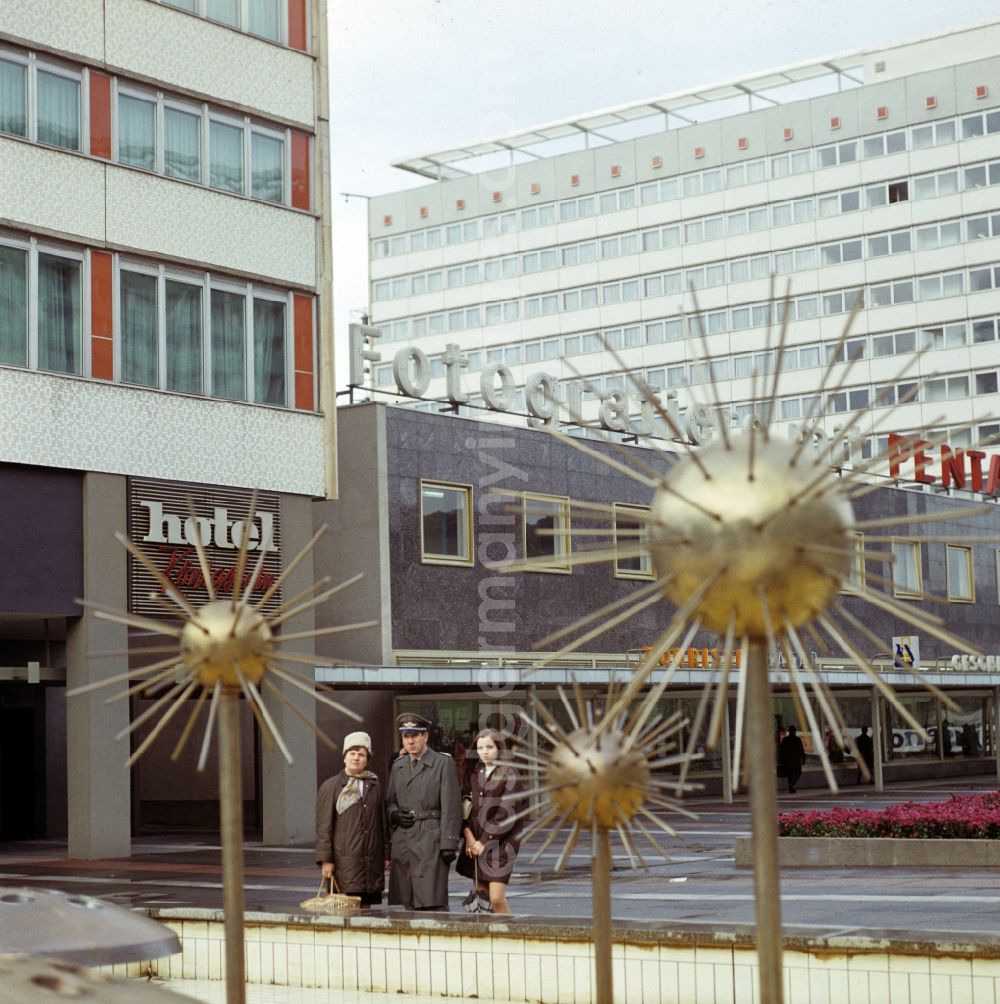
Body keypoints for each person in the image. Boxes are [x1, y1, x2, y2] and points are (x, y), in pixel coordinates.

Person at [385, 713, 462, 910]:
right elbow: (389, 801)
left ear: (425, 737)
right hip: (404, 839)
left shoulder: (442, 763)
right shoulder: (398, 766)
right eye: (406, 736)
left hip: (431, 838)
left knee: (432, 901)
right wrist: (394, 814)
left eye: (415, 735)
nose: (410, 741)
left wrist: (449, 843)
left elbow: (451, 806)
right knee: (408, 901)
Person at [315, 731, 387, 907]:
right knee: (343, 912)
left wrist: (386, 854)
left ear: (367, 759)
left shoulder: (375, 785)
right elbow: (324, 826)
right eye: (352, 753)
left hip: (370, 865)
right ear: (344, 757)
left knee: (366, 912)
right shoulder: (331, 787)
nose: (356, 758)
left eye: (361, 754)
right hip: (344, 865)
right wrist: (326, 860)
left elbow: (382, 823)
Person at [460, 729, 524, 915]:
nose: (484, 752)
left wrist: (483, 841)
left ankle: (510, 938)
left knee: (496, 898)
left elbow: (506, 814)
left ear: (499, 749)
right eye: (480, 748)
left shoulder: (509, 774)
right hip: (476, 843)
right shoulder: (474, 772)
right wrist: (468, 836)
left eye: (489, 747)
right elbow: (465, 806)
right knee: (482, 898)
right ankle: (490, 940)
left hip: (502, 844)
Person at [777, 724, 806, 794]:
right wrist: (803, 758)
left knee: (790, 775)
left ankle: (791, 787)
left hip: (787, 761)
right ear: (794, 732)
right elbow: (801, 750)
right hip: (796, 761)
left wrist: (780, 760)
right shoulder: (797, 740)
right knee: (798, 773)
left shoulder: (785, 740)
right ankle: (792, 785)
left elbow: (781, 751)